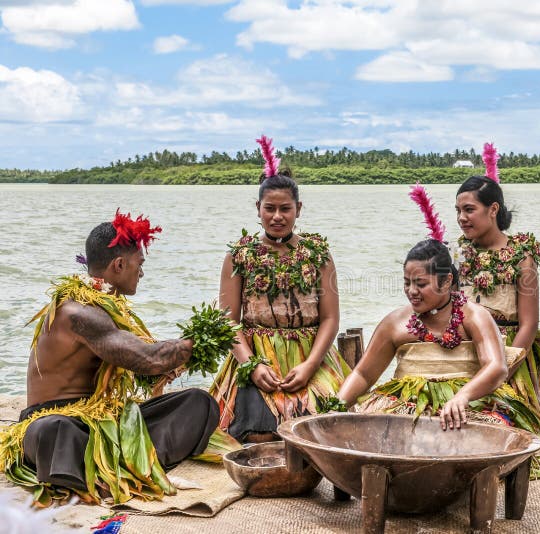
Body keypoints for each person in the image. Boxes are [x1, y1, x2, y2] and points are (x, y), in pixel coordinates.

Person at [0, 210, 221, 506]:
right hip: (59, 422)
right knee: (55, 431)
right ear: (119, 264)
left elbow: (142, 362)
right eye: (139, 264)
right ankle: (114, 468)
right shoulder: (79, 312)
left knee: (198, 402)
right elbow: (149, 358)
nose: (141, 273)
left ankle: (117, 467)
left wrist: (165, 368)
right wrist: (202, 340)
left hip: (104, 423)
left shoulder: (107, 308)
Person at [337, 185, 540, 432]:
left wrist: (467, 394)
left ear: (446, 282)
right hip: (411, 397)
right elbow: (363, 375)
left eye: (421, 284)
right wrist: (334, 407)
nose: (412, 291)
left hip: (479, 384)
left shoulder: (475, 315)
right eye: (407, 283)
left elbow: (499, 363)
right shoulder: (395, 322)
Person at [210, 135, 350, 443]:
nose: (277, 216)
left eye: (285, 208)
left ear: (298, 209)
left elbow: (330, 319)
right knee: (257, 435)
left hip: (311, 355)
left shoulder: (318, 254)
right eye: (269, 208)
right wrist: (250, 365)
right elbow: (228, 321)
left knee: (327, 431)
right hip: (254, 357)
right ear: (257, 208)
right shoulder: (239, 255)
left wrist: (310, 365)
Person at [454, 143, 540, 437]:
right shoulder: (458, 254)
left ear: (493, 209)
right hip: (465, 352)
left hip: (510, 356)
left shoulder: (522, 257)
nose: (461, 218)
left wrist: (502, 372)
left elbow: (529, 324)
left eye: (469, 209)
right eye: (458, 211)